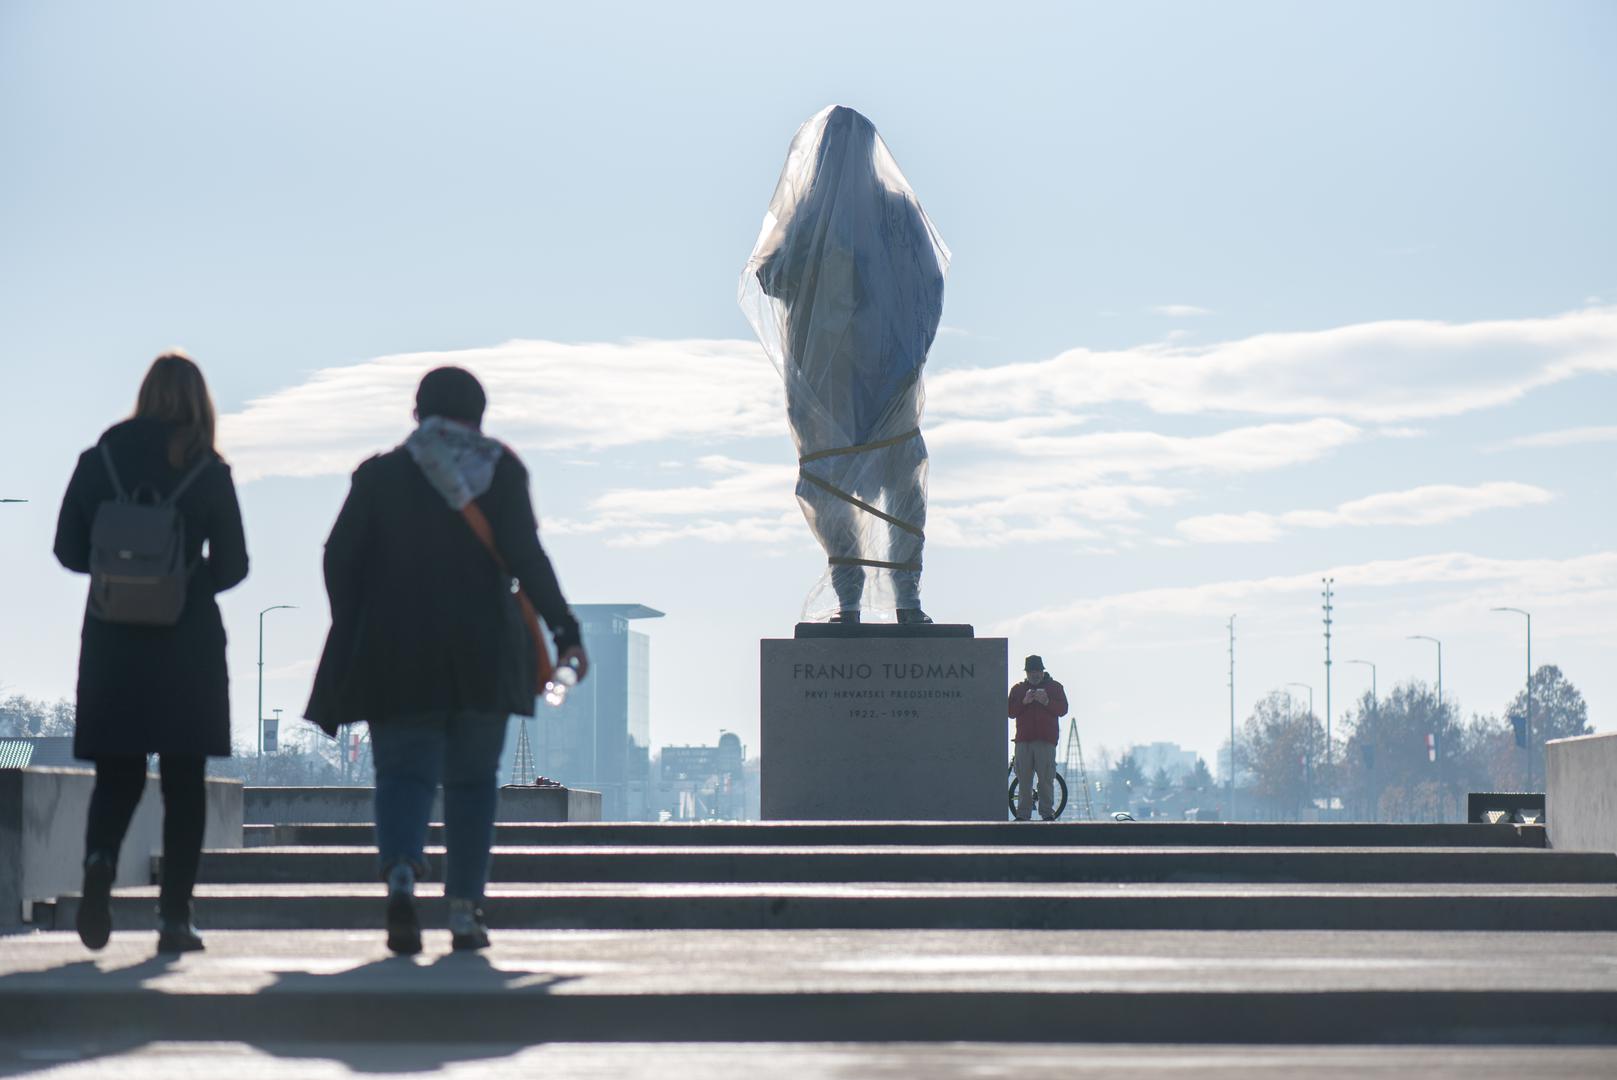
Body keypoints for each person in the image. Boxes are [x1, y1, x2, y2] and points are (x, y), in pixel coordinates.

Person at [305, 366, 585, 955]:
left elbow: (338, 557)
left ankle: (401, 878)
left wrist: (356, 619)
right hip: (484, 654)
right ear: (479, 417)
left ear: (418, 414)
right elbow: (527, 556)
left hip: (396, 651)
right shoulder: (501, 470)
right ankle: (463, 909)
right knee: (473, 783)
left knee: (402, 775)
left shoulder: (380, 475)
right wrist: (565, 631)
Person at [53, 352, 249, 953]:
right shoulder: (207, 469)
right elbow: (235, 565)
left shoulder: (99, 460)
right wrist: (181, 581)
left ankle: (98, 865)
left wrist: (122, 575)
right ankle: (174, 919)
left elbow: (67, 550)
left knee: (118, 776)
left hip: (113, 640)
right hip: (187, 645)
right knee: (184, 783)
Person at [739, 104, 949, 624]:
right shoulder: (810, 220)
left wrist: (905, 347)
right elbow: (770, 277)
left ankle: (899, 598)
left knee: (892, 473)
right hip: (833, 372)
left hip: (872, 368)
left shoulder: (888, 212)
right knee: (841, 477)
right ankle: (860, 598)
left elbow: (927, 284)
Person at [1007, 655, 1068, 821]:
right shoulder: (1018, 690)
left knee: (1046, 780)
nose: (1035, 675)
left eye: (1038, 671)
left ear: (1043, 672)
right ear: (1026, 673)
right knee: (1024, 781)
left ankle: (1047, 814)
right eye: (1031, 672)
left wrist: (1046, 701)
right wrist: (1024, 702)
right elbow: (1010, 712)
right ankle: (1022, 815)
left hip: (1045, 741)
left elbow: (1063, 709)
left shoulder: (1055, 688)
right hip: (1023, 742)